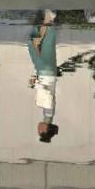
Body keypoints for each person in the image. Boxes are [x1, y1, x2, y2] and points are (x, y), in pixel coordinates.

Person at [27, 10, 59, 143]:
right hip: (46, 73)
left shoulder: (48, 116)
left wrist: (36, 84)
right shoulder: (48, 114)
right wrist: (36, 84)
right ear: (45, 129)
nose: (38, 129)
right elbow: (48, 98)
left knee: (40, 46)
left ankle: (47, 19)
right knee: (36, 46)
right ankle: (45, 20)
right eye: (40, 132)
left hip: (47, 73)